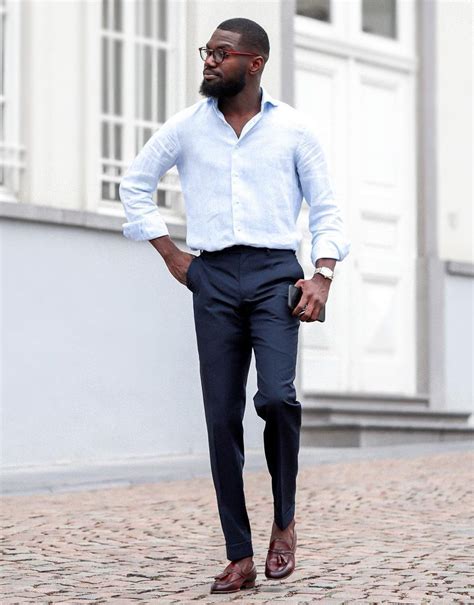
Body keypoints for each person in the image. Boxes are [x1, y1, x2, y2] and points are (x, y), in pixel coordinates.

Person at [119, 17, 350, 595]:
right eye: (206, 51)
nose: (208, 61)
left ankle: (285, 522)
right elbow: (135, 183)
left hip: (277, 275)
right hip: (214, 276)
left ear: (255, 63)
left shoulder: (295, 130)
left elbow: (326, 208)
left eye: (221, 53)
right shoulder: (187, 128)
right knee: (222, 417)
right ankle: (239, 554)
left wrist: (322, 275)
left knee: (276, 397)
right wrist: (172, 255)